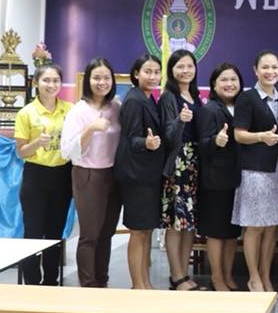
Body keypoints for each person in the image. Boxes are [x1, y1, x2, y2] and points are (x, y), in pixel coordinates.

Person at [60, 57, 122, 288]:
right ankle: (88, 285)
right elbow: (67, 151)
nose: (102, 82)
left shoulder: (116, 106)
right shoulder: (78, 111)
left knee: (107, 232)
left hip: (113, 175)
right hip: (88, 175)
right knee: (90, 234)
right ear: (88, 80)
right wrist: (90, 129)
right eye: (97, 78)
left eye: (106, 77)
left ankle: (102, 281)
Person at [233, 51, 278, 294]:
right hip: (255, 171)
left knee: (271, 226)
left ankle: (266, 277)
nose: (270, 72)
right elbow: (239, 135)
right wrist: (261, 137)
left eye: (274, 67)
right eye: (265, 67)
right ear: (255, 70)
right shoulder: (247, 98)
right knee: (255, 226)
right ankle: (253, 278)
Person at [13, 63, 73, 286]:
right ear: (35, 83)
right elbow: (21, 152)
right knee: (33, 232)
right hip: (36, 177)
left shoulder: (70, 109)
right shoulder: (26, 113)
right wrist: (37, 142)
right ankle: (31, 282)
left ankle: (50, 281)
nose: (51, 85)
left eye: (56, 80)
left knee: (55, 232)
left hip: (63, 175)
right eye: (46, 80)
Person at [114, 54, 164, 290]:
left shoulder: (148, 97)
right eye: (147, 71)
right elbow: (131, 138)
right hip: (136, 176)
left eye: (156, 72)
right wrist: (147, 143)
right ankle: (138, 285)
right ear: (136, 74)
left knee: (146, 231)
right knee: (137, 232)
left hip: (148, 174)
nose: (153, 76)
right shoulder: (134, 100)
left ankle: (145, 282)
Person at [196, 62, 243, 292]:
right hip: (215, 182)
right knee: (216, 232)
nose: (229, 84)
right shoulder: (210, 110)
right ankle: (216, 277)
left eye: (233, 79)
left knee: (232, 232)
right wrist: (216, 141)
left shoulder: (241, 107)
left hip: (236, 179)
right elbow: (202, 145)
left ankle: (227, 274)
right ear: (214, 84)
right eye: (224, 79)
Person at [159, 49, 204, 291]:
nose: (185, 70)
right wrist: (180, 120)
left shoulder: (195, 95)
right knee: (176, 223)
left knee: (189, 224)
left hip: (195, 164)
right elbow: (167, 134)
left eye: (189, 66)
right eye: (180, 66)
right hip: (178, 163)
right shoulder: (169, 97)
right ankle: (176, 276)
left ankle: (184, 275)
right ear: (171, 70)